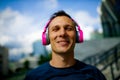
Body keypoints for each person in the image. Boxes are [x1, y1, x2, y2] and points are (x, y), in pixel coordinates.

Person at [24, 10, 106, 80]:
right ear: (47, 38)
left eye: (68, 28)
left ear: (77, 36)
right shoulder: (33, 77)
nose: (62, 33)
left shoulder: (94, 74)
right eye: (55, 29)